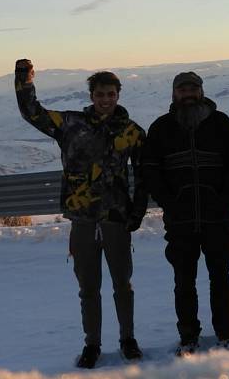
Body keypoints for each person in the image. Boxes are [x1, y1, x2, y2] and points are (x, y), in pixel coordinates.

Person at [14, 60, 147, 369]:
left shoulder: (131, 132)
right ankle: (92, 344)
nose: (106, 100)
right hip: (83, 219)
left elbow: (144, 174)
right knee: (88, 287)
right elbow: (32, 113)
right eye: (100, 94)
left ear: (118, 95)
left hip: (115, 217)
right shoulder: (71, 124)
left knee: (122, 284)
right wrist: (24, 81)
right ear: (91, 96)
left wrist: (137, 210)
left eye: (111, 94)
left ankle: (127, 339)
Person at [141, 72, 229, 356]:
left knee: (221, 278)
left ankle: (226, 333)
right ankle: (188, 337)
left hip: (217, 218)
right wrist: (169, 202)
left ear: (201, 91)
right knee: (184, 282)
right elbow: (150, 169)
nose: (188, 94)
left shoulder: (220, 124)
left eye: (193, 89)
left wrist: (226, 199)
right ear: (174, 93)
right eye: (182, 89)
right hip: (179, 220)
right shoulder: (161, 128)